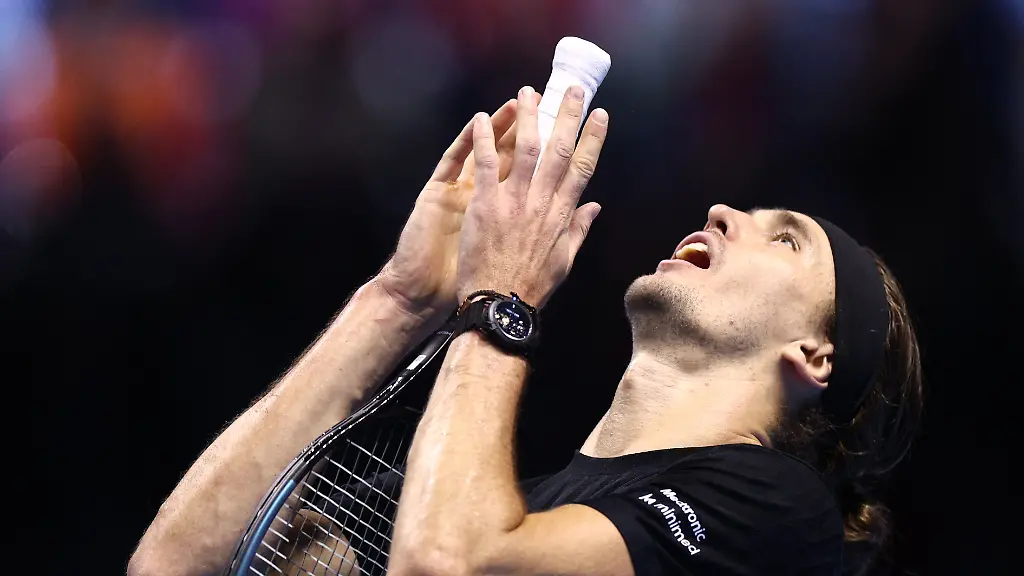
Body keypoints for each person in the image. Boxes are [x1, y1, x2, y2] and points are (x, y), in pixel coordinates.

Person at [129, 85, 922, 576]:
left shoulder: (777, 514)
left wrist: (501, 296)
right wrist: (400, 300)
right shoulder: (492, 500)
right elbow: (172, 564)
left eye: (786, 239)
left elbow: (447, 564)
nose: (724, 213)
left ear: (813, 356)